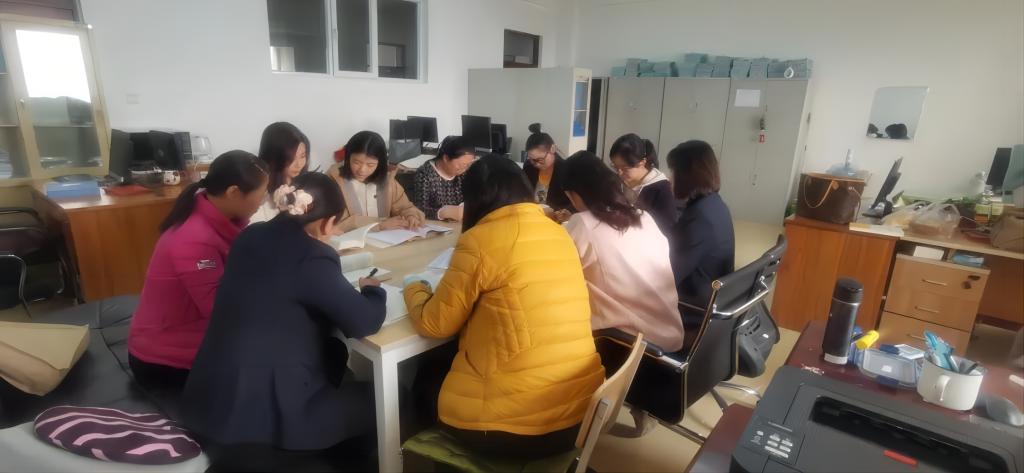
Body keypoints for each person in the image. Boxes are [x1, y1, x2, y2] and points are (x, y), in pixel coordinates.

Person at [402, 155, 604, 459]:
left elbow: (434, 324)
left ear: (474, 198)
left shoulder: (479, 240)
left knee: (423, 380)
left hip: (512, 429)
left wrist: (414, 287)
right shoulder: (559, 232)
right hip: (580, 416)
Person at [181, 172, 386, 471]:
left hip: (207, 405)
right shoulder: (313, 257)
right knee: (387, 397)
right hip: (271, 423)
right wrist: (372, 291)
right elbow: (364, 322)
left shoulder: (250, 235)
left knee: (334, 352)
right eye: (335, 224)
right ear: (326, 223)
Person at [128, 151, 269, 392]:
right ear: (234, 192)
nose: (264, 200)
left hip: (192, 337)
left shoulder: (218, 217)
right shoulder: (194, 240)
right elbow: (221, 313)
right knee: (278, 361)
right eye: (262, 193)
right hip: (162, 359)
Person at [562, 151, 684, 352]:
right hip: (669, 336)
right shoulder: (643, 216)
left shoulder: (583, 224)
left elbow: (556, 272)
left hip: (625, 345)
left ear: (573, 194)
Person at [666, 140, 735, 327]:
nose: (670, 178)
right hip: (709, 297)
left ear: (686, 176)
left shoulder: (699, 219)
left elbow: (667, 276)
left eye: (673, 171)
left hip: (691, 308)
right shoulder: (714, 204)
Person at [329, 130, 425, 231]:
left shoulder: (388, 181)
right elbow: (337, 222)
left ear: (380, 163)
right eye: (356, 162)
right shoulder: (334, 182)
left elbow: (404, 207)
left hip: (386, 238)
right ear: (348, 158)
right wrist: (379, 225)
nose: (362, 170)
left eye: (370, 165)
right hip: (350, 239)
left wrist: (411, 216)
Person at [609, 133, 676, 235]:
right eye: (615, 166)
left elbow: (666, 230)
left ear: (642, 162)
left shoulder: (662, 190)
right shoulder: (618, 181)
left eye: (625, 168)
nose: (619, 173)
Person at [251, 121, 310, 223]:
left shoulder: (307, 186)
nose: (299, 164)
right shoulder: (261, 199)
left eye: (302, 156)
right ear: (274, 159)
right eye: (291, 159)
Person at [412, 135, 474, 221]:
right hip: (436, 225)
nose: (465, 169)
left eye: (468, 165)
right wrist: (442, 213)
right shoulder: (425, 175)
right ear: (446, 158)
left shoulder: (464, 173)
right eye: (461, 165)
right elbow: (420, 210)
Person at [523, 123, 573, 219]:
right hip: (532, 217)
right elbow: (523, 194)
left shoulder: (567, 171)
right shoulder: (529, 168)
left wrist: (559, 212)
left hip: (555, 220)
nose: (536, 164)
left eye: (540, 159)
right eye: (531, 159)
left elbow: (574, 203)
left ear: (552, 149)